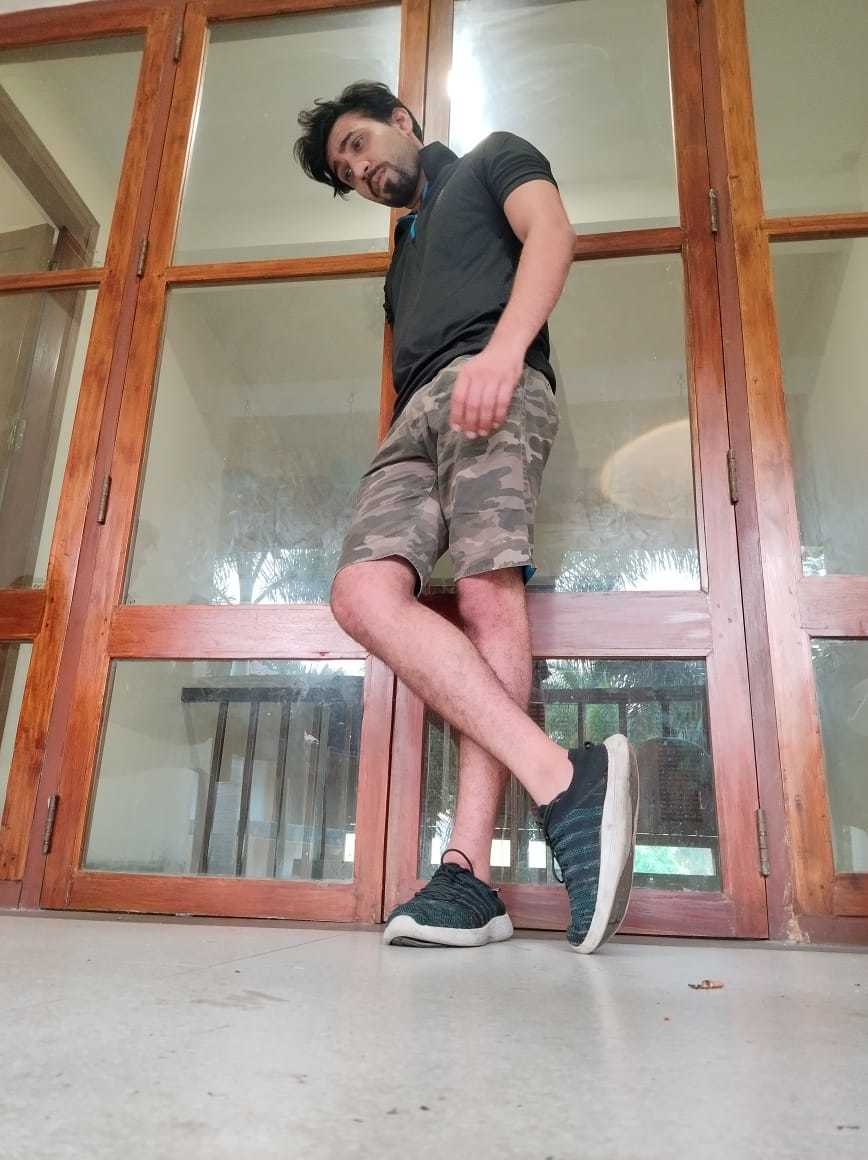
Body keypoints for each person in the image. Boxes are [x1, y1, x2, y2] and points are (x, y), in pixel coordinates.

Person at [294, 82, 639, 953]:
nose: (361, 170)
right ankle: (563, 776)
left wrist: (505, 351)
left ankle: (468, 873)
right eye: (346, 172)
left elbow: (552, 232)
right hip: (411, 418)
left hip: (492, 378)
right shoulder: (399, 261)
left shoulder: (492, 157)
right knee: (361, 595)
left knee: (487, 593)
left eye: (359, 145)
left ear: (402, 121)